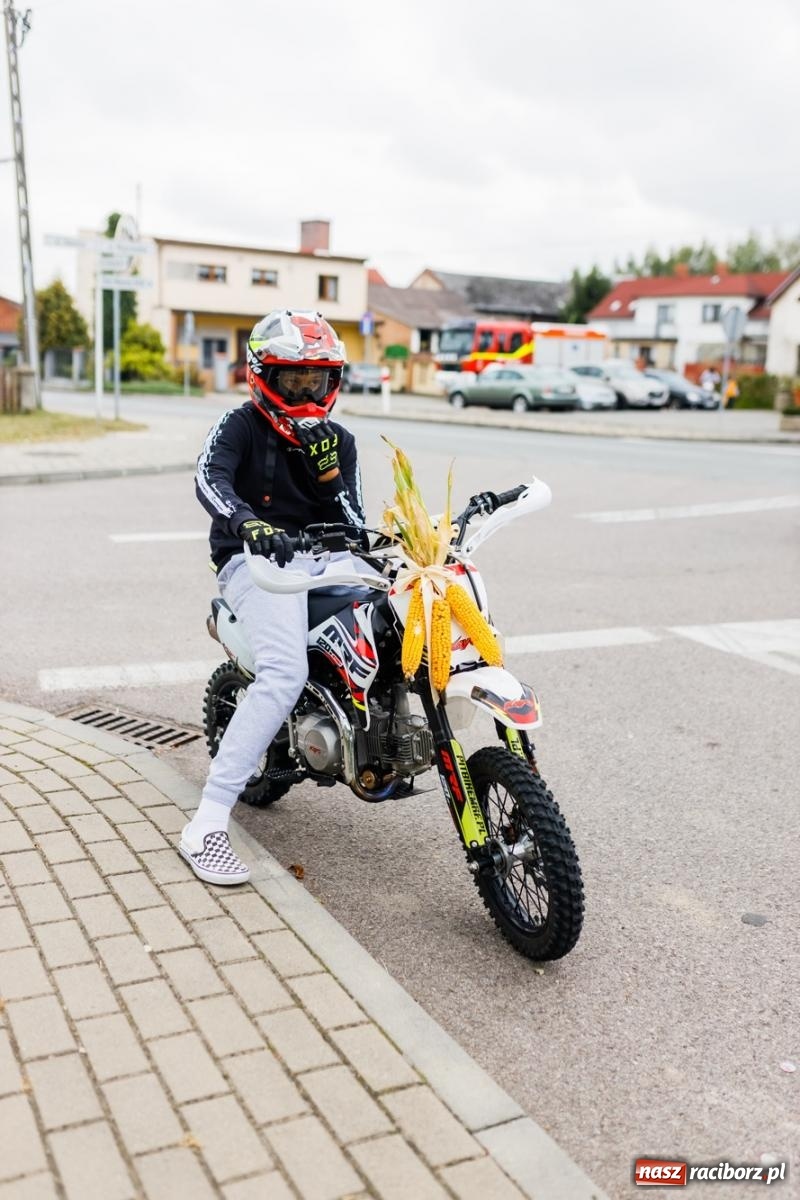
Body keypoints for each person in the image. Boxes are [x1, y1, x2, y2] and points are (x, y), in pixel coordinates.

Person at [179, 310, 365, 885]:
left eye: (318, 380)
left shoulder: (341, 442)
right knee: (283, 673)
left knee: (400, 616)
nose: (308, 392)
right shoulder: (239, 426)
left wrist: (332, 481)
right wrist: (246, 523)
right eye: (294, 380)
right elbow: (209, 479)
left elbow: (356, 524)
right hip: (252, 558)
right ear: (264, 376)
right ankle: (206, 823)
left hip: (320, 553)